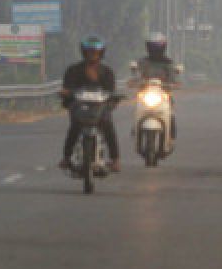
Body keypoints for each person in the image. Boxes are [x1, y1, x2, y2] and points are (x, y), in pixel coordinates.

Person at [58, 34, 120, 172]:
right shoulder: (73, 70)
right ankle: (66, 157)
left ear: (101, 53)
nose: (92, 55)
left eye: (95, 52)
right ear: (84, 52)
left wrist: (113, 98)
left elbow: (111, 91)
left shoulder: (107, 72)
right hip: (80, 107)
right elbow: (67, 88)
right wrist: (66, 93)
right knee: (74, 127)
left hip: (100, 107)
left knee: (108, 125)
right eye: (89, 52)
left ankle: (115, 159)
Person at [132, 31, 178, 140]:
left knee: (171, 112)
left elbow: (172, 77)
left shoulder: (168, 63)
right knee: (138, 108)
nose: (155, 50)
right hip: (145, 93)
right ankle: (135, 127)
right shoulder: (143, 62)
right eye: (153, 47)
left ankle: (171, 135)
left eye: (157, 47)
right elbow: (138, 74)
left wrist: (173, 83)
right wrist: (135, 81)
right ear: (148, 47)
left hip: (163, 93)